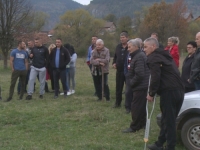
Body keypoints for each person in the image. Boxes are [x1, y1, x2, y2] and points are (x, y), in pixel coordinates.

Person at [144, 38, 184, 150]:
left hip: (169, 91)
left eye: (146, 47)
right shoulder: (166, 55)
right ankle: (160, 143)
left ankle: (170, 147)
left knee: (169, 121)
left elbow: (155, 77)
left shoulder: (153, 57)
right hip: (180, 90)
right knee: (167, 118)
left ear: (153, 46)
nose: (144, 49)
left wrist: (151, 93)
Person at [122, 39, 149, 132]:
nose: (128, 49)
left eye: (130, 47)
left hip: (140, 86)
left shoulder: (139, 57)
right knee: (140, 106)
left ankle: (135, 126)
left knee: (136, 106)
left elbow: (140, 74)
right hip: (140, 86)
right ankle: (142, 124)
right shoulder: (136, 56)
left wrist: (131, 83)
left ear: (136, 47)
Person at [112, 31, 128, 108]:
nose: (122, 39)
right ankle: (117, 103)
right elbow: (115, 57)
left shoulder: (130, 46)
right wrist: (114, 63)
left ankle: (128, 104)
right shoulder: (118, 47)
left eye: (123, 37)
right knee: (118, 87)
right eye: (121, 38)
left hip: (128, 71)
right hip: (119, 70)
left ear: (127, 38)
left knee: (128, 88)